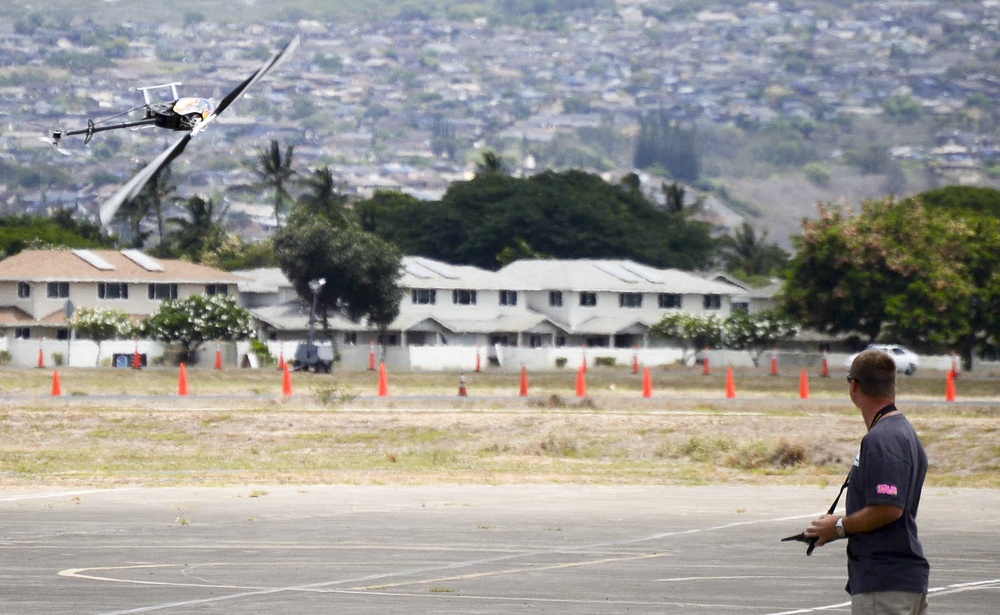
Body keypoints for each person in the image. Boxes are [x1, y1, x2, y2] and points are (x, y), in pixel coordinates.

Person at [804, 348, 929, 614]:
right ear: (892, 386)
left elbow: (889, 507)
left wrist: (838, 527)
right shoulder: (902, 432)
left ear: (854, 386)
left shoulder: (883, 439)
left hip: (884, 586)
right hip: (899, 580)